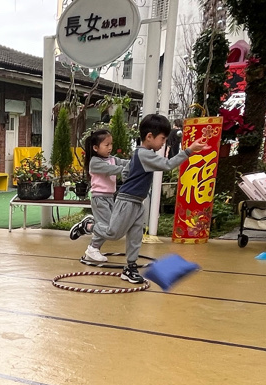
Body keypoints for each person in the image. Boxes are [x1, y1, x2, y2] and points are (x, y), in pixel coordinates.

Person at [80, 114, 209, 283]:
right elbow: (168, 165)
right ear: (149, 137)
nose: (163, 143)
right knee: (114, 233)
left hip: (137, 202)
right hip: (127, 200)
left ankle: (130, 268)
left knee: (135, 236)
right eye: (162, 139)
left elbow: (127, 171)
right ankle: (88, 226)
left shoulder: (141, 154)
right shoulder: (144, 154)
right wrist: (189, 150)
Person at [69, 128, 124, 242]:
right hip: (99, 198)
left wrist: (139, 163)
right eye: (106, 145)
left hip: (110, 197)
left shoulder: (112, 159)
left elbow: (126, 163)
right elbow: (112, 169)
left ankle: (93, 247)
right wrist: (130, 169)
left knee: (108, 226)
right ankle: (88, 227)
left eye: (111, 144)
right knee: (107, 228)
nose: (110, 147)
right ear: (95, 148)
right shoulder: (95, 162)